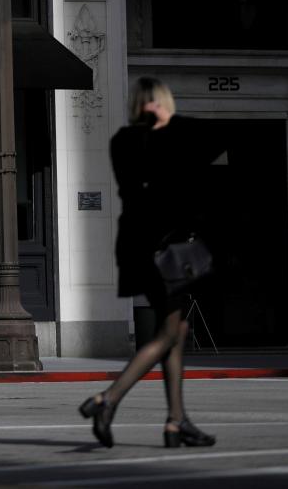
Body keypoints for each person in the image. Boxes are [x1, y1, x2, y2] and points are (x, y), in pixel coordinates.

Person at [79, 77, 224, 449]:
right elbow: (212, 139)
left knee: (176, 333)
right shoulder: (158, 140)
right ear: (158, 103)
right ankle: (107, 400)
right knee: (168, 335)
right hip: (166, 251)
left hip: (140, 249)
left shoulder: (122, 141)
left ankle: (177, 422)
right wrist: (167, 121)